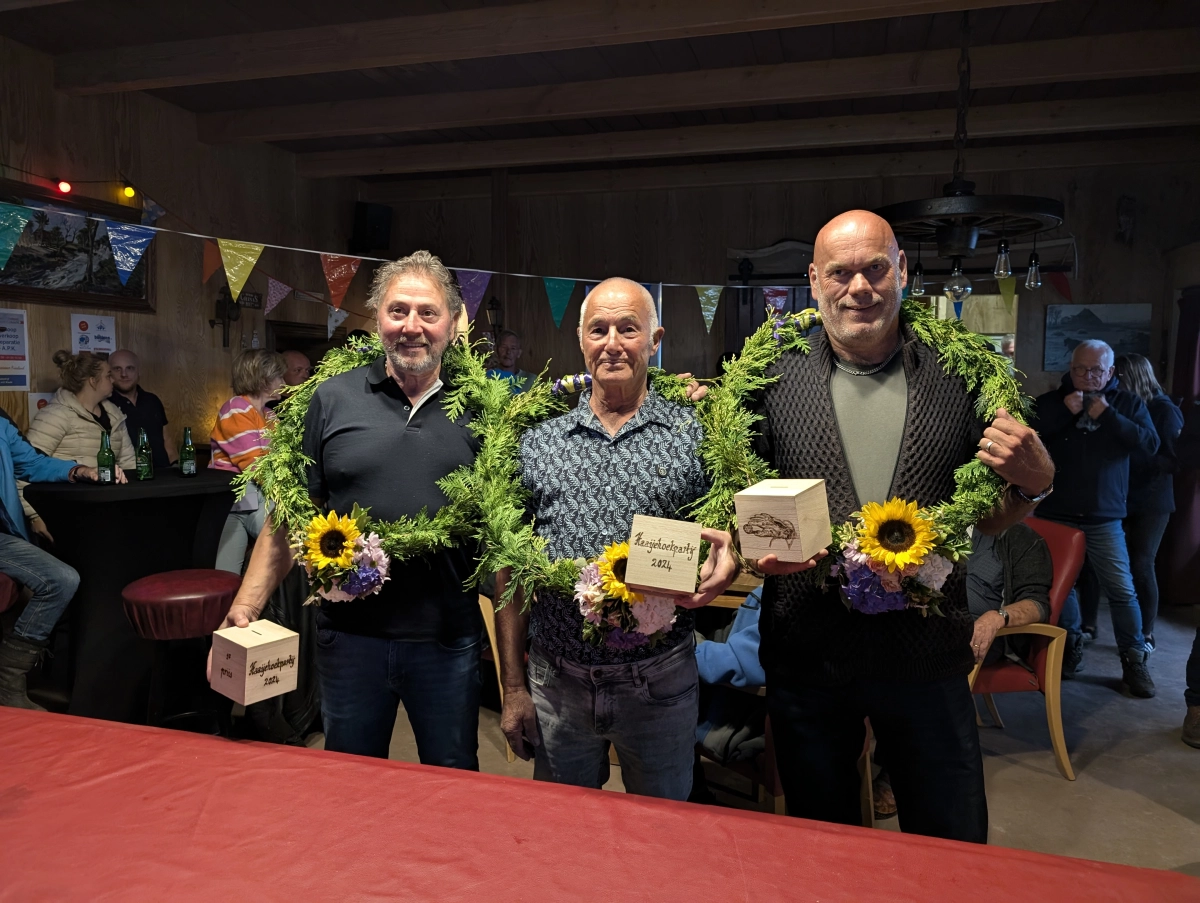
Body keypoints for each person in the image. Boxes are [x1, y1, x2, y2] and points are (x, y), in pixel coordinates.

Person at [752, 210, 1054, 844]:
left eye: (875, 268)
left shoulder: (962, 375)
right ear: (814, 280)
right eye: (840, 272)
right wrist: (751, 547)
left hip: (927, 647)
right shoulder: (768, 378)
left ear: (903, 271)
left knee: (949, 829)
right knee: (818, 836)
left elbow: (991, 511)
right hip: (808, 647)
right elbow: (738, 489)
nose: (858, 287)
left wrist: (1035, 483)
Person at [213, 251, 484, 768]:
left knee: (456, 789)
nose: (412, 326)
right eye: (397, 310)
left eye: (428, 312)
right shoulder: (332, 399)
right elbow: (290, 513)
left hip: (447, 641)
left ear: (452, 323)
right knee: (348, 787)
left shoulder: (481, 408)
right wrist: (246, 606)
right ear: (377, 317)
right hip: (350, 638)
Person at [495, 277, 738, 802]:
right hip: (556, 681)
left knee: (664, 836)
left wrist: (731, 559)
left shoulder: (696, 432)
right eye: (598, 329)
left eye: (628, 329)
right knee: (564, 841)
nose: (612, 343)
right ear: (581, 341)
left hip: (661, 680)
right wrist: (513, 687)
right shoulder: (535, 441)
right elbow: (508, 568)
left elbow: (730, 529)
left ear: (655, 340)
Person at [1034, 340, 1158, 696]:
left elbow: (1149, 446)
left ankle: (1134, 661)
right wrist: (1062, 414)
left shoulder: (1129, 404)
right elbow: (1028, 442)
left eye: (1096, 371)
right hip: (1056, 513)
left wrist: (1110, 416)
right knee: (1062, 588)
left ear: (1111, 372)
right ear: (1070, 369)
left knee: (1121, 590)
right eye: (1080, 370)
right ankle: (1071, 648)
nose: (1087, 377)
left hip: (1105, 516)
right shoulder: (1051, 403)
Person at [0, 407, 109, 709]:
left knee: (62, 578)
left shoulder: (0, 422)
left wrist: (76, 470)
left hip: (5, 535)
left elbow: (30, 462)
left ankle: (8, 682)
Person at [20, 351, 132, 541]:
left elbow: (129, 464)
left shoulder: (114, 415)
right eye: (107, 376)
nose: (113, 380)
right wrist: (35, 516)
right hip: (65, 513)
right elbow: (24, 468)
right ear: (92, 381)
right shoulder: (55, 416)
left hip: (109, 511)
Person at [1114, 353, 1183, 651]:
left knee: (1142, 564)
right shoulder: (1127, 406)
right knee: (1117, 565)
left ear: (1132, 378)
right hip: (1124, 496)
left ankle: (1147, 633)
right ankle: (1100, 627)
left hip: (1152, 501)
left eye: (1120, 378)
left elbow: (1172, 460)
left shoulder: (1164, 411)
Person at [210, 350, 286, 574]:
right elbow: (255, 466)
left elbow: (282, 461)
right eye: (279, 377)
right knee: (225, 577)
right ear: (264, 381)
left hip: (256, 499)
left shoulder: (269, 415)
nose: (284, 382)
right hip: (232, 503)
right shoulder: (235, 408)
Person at [966, 523, 1052, 667]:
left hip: (982, 636)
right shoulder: (942, 524)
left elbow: (1037, 605)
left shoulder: (1021, 537)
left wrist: (996, 618)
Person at [108, 349, 175, 468]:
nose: (124, 374)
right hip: (130, 478)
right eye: (117, 369)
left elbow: (167, 440)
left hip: (164, 476)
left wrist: (176, 466)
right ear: (109, 373)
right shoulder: (105, 404)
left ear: (138, 371)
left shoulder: (152, 400)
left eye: (130, 368)